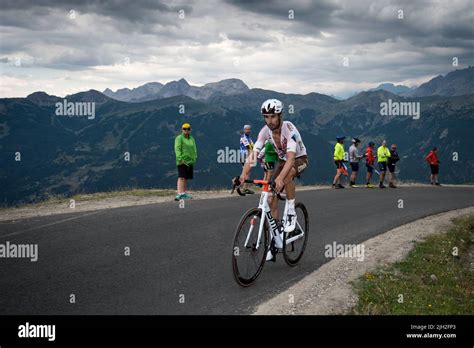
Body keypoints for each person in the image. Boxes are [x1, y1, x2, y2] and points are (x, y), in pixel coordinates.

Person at [236, 98, 308, 257]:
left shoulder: (289, 129)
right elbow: (253, 155)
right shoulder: (264, 131)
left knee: (286, 175)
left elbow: (291, 159)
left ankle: (291, 211)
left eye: (273, 116)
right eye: (266, 117)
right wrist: (243, 175)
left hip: (299, 159)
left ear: (280, 115)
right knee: (269, 198)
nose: (269, 121)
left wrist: (281, 178)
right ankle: (276, 239)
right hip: (284, 161)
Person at [174, 122, 197, 201]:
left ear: (190, 130)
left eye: (188, 129)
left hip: (190, 161)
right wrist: (180, 159)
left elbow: (194, 148)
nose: (186, 130)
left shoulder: (192, 138)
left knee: (185, 177)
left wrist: (195, 157)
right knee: (181, 177)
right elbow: (177, 149)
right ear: (182, 129)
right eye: (184, 129)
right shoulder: (179, 138)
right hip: (182, 161)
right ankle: (179, 194)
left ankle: (183, 193)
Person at [239, 124, 255, 194]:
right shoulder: (244, 137)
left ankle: (244, 188)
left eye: (249, 129)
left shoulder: (249, 138)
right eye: (246, 129)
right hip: (245, 155)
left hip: (248, 155)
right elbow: (249, 148)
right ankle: (240, 186)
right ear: (244, 130)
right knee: (245, 172)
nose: (248, 131)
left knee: (247, 172)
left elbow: (253, 147)